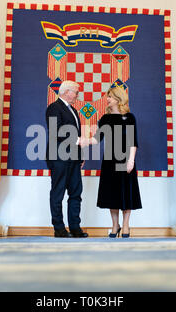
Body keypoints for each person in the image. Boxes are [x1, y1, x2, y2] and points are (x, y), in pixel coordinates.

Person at [83, 87, 142, 238]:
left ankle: (126, 225)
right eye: (107, 96)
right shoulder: (105, 118)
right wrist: (82, 141)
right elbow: (97, 139)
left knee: (126, 193)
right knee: (112, 194)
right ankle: (115, 225)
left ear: (118, 99)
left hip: (125, 159)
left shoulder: (129, 117)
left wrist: (131, 161)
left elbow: (132, 141)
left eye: (110, 97)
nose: (107, 99)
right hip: (109, 160)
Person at [45, 80, 88, 238]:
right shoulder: (54, 108)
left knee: (76, 192)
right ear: (66, 92)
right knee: (58, 192)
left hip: (74, 158)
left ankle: (75, 227)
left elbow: (75, 134)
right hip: (59, 157)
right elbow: (56, 131)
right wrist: (77, 142)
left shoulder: (74, 111)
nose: (77, 95)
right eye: (76, 92)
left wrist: (80, 155)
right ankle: (59, 228)